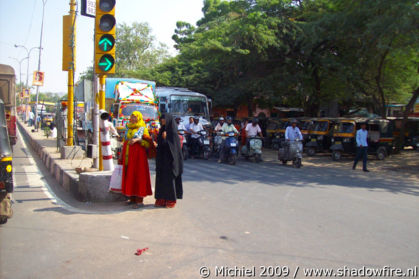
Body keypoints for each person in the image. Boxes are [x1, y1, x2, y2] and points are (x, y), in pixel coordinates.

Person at [120, 111, 153, 208]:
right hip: (128, 156)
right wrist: (121, 154)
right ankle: (132, 198)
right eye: (132, 117)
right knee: (130, 175)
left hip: (139, 157)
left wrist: (139, 140)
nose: (133, 119)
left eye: (135, 117)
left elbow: (148, 144)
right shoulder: (128, 128)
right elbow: (124, 141)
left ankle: (139, 200)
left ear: (139, 118)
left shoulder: (143, 128)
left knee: (138, 176)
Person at [155, 113, 183, 208]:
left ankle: (171, 200)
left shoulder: (173, 133)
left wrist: (165, 139)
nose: (162, 121)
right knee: (161, 179)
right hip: (162, 160)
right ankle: (161, 199)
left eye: (164, 119)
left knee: (169, 181)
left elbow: (173, 149)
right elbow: (161, 145)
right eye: (161, 119)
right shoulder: (162, 130)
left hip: (170, 161)